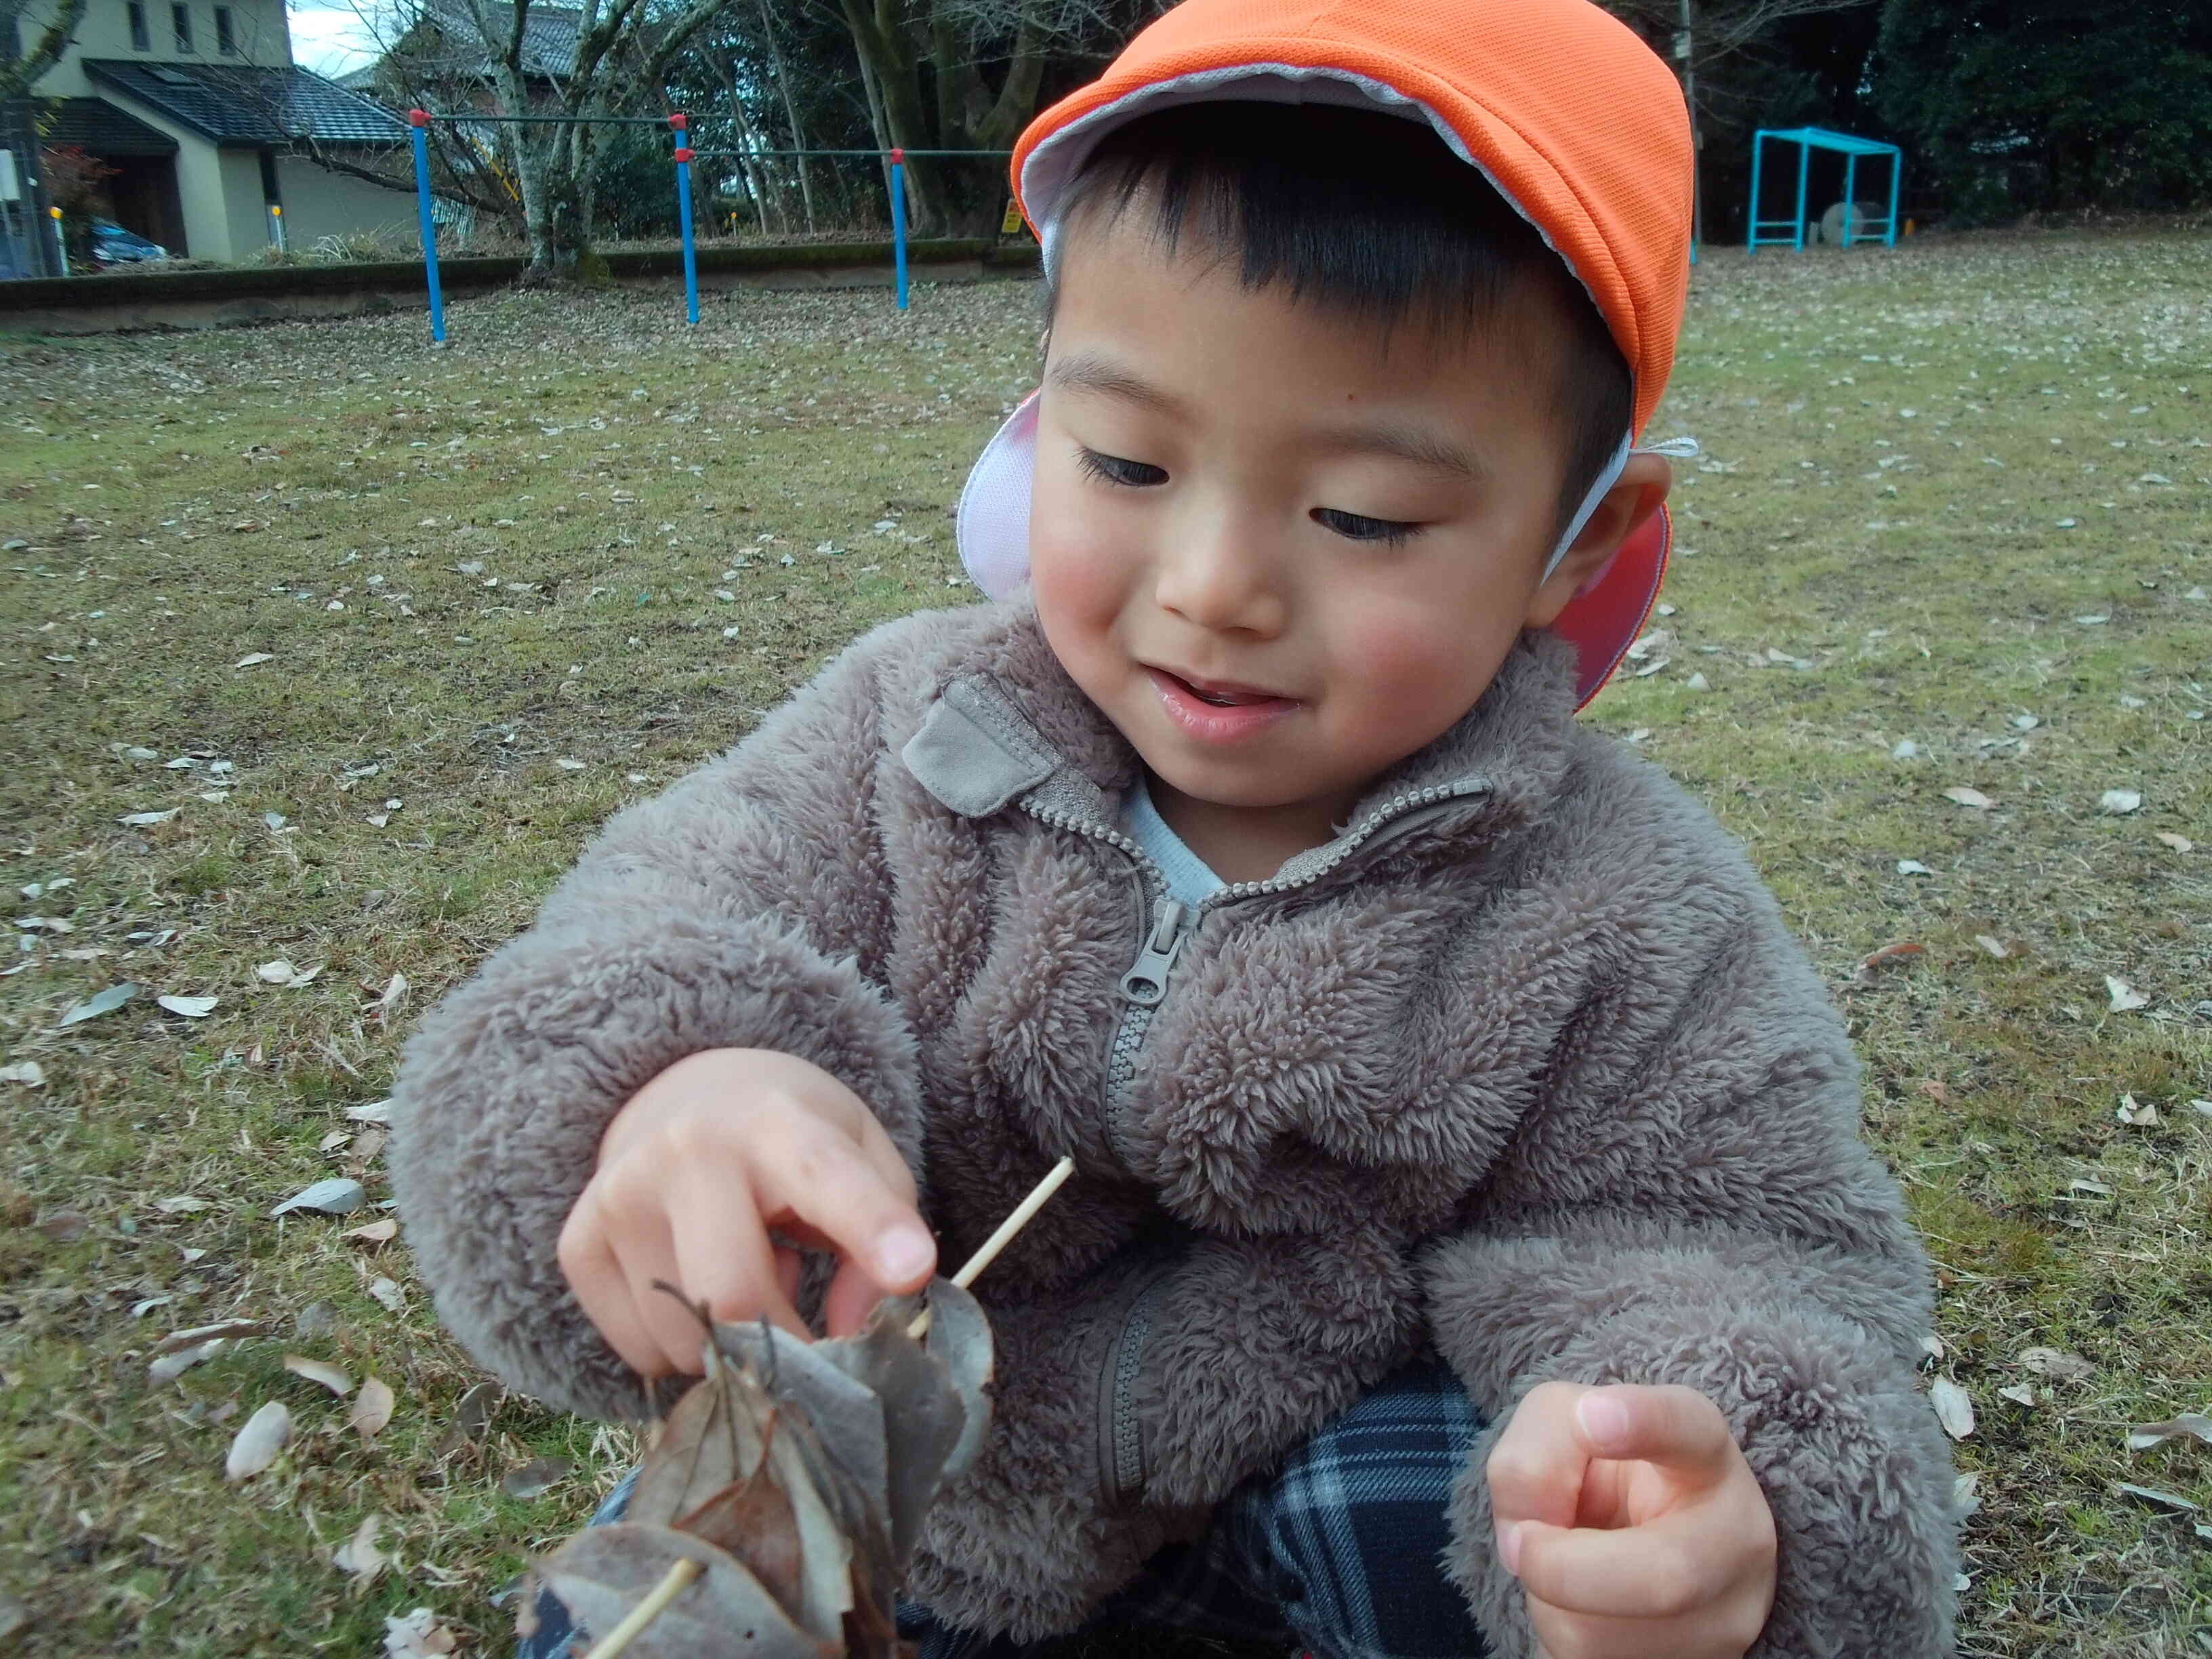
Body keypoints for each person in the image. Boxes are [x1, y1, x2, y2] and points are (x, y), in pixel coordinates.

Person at [390, 0, 1961, 1654]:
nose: (1214, 589)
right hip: (917, 1504)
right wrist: (673, 1086)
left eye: (1364, 514)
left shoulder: (1620, 906)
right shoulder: (905, 739)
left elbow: (1747, 1252)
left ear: (1580, 541)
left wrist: (1702, 1507)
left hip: (1309, 1521)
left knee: (1447, 1525)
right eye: (1128, 463)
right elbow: (649, 932)